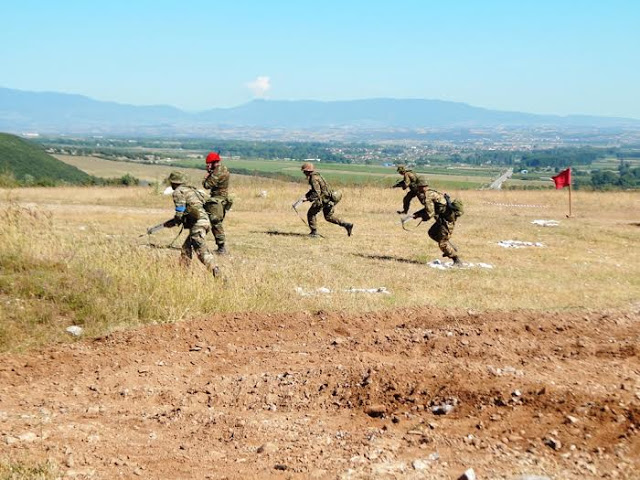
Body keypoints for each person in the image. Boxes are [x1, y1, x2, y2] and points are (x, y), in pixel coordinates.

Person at [164, 171, 220, 277]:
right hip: (205, 221)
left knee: (200, 249)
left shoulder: (178, 192)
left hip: (198, 224)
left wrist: (173, 222)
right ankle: (182, 273)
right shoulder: (192, 190)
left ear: (174, 182)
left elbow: (180, 212)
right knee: (186, 247)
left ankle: (215, 270)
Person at [410, 175, 463, 265]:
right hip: (442, 219)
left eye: (417, 186)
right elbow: (432, 209)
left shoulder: (428, 196)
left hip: (446, 221)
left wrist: (422, 217)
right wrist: (418, 214)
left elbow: (429, 213)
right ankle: (447, 249)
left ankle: (456, 259)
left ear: (420, 186)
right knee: (432, 233)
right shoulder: (431, 193)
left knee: (442, 243)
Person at [299, 162, 353, 238]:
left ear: (307, 171)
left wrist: (307, 199)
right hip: (329, 199)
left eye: (304, 171)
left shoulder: (313, 178)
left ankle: (314, 233)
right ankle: (346, 224)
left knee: (311, 214)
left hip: (323, 199)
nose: (303, 173)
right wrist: (307, 195)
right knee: (328, 217)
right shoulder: (318, 176)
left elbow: (316, 193)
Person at [202, 152, 231, 254]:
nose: (207, 165)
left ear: (214, 162)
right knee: (214, 222)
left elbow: (207, 185)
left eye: (209, 163)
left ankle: (221, 248)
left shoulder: (217, 172)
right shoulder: (223, 168)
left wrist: (206, 176)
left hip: (217, 201)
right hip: (221, 199)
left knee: (215, 223)